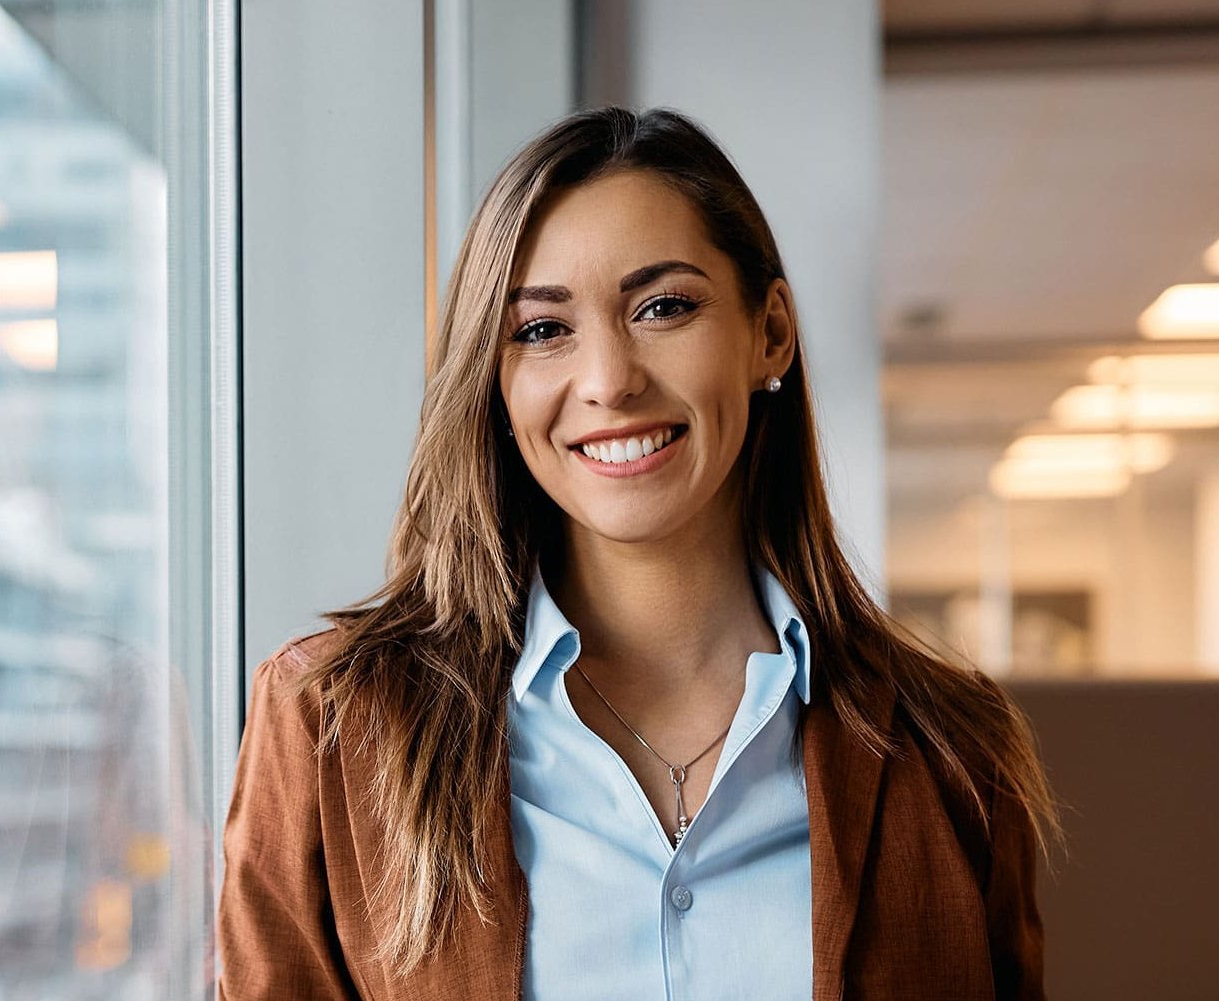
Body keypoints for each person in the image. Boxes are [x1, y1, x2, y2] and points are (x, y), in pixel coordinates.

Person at [217, 107, 1057, 1000]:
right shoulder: (332, 725)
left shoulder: (951, 748)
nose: (610, 378)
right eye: (542, 329)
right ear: (494, 379)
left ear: (769, 332)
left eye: (664, 307)